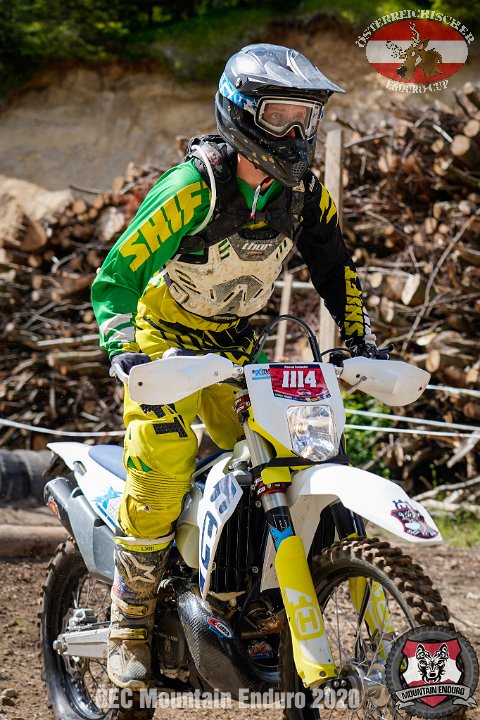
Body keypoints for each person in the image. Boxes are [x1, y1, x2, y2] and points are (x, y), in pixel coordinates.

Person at [91, 43, 385, 690]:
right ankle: (128, 624)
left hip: (235, 346)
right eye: (281, 116)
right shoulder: (192, 188)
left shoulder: (304, 194)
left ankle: (251, 599)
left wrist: (359, 338)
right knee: (161, 474)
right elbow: (116, 276)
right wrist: (122, 347)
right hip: (164, 341)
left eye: (306, 118)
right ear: (242, 112)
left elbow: (336, 266)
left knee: (280, 460)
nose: (297, 133)